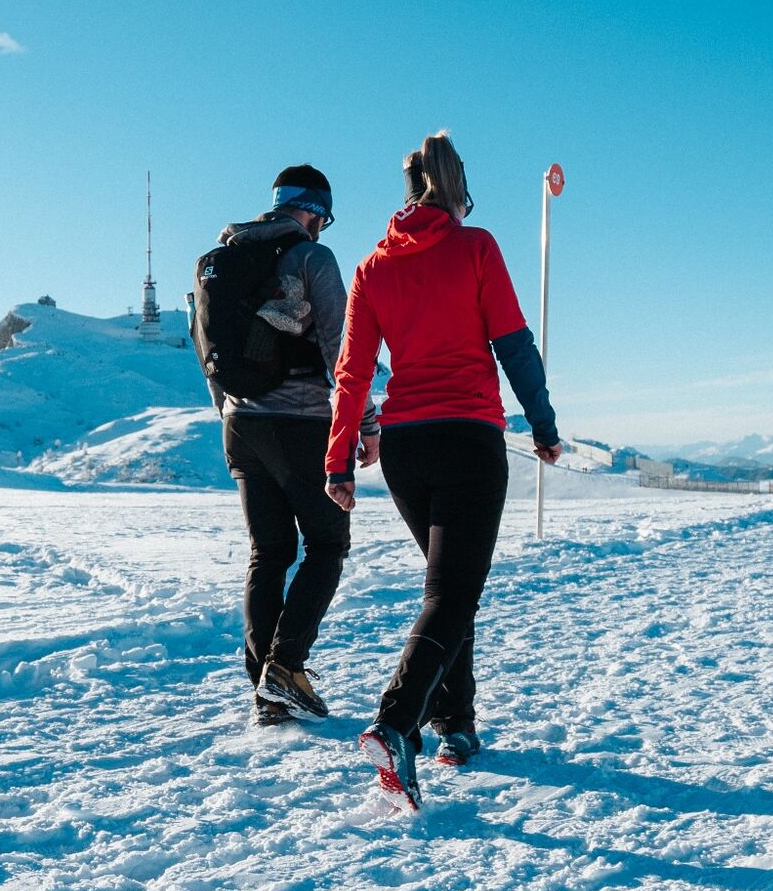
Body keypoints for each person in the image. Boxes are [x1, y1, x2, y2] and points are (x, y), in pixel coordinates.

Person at [324, 132, 560, 808]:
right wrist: (543, 424)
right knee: (452, 593)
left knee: (449, 584)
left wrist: (339, 460)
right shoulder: (475, 247)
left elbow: (353, 373)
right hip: (468, 439)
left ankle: (455, 725)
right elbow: (514, 345)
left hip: (406, 450)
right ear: (458, 189)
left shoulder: (372, 268)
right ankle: (397, 723)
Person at [197, 165, 378, 727]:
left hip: (240, 425)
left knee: (269, 553)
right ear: (316, 210)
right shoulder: (311, 257)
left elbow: (209, 351)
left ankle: (267, 691)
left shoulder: (222, 260)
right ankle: (285, 667)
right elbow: (341, 348)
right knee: (327, 543)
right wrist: (367, 422)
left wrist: (234, 411)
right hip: (299, 421)